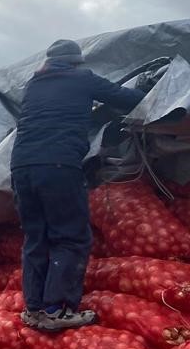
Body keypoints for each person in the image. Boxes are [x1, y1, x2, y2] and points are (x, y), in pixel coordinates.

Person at [11, 38, 145, 332]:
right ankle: (57, 310)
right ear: (76, 62)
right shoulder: (82, 78)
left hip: (21, 167)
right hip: (58, 165)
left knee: (36, 237)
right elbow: (125, 98)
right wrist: (149, 92)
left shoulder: (34, 85)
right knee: (70, 237)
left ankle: (34, 309)